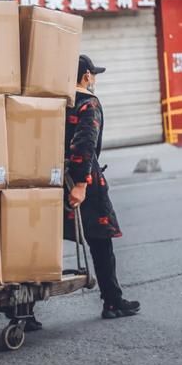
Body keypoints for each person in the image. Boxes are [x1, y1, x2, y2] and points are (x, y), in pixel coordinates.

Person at [64, 54, 140, 320]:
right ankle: (113, 301)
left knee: (44, 243)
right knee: (101, 240)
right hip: (83, 180)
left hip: (53, 179)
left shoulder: (55, 101)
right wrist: (82, 184)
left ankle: (25, 311)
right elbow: (85, 144)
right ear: (86, 76)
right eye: (93, 74)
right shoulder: (88, 103)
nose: (94, 79)